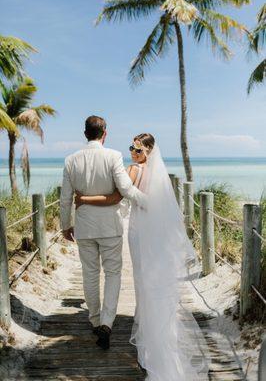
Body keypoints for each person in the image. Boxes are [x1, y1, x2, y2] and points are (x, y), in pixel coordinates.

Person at [75, 133, 210, 380]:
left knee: (143, 284)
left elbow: (117, 194)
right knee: (154, 284)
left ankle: (150, 342)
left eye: (136, 149)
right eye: (131, 148)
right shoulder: (159, 176)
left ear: (146, 152)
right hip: (155, 233)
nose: (132, 153)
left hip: (139, 232)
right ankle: (156, 338)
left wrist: (83, 197)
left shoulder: (135, 170)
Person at [60, 115, 145, 350]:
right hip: (110, 227)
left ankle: (95, 320)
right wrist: (150, 201)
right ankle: (107, 323)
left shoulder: (70, 160)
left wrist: (65, 225)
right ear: (104, 133)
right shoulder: (113, 156)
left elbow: (65, 198)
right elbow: (126, 189)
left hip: (85, 227)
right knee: (113, 274)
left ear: (85, 133)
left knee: (89, 274)